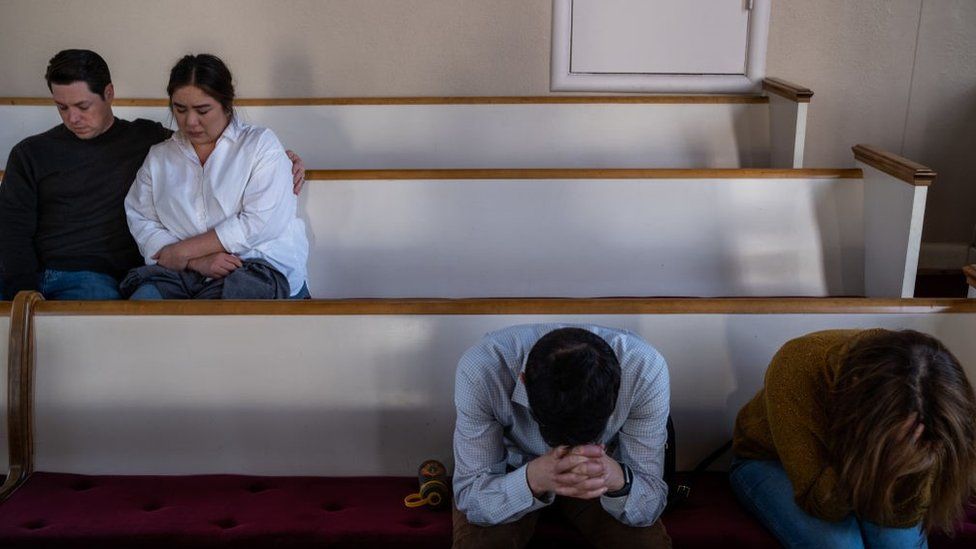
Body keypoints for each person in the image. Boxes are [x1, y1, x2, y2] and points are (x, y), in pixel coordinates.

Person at [0, 49, 305, 301]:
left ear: (109, 94)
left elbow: (226, 147)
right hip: (66, 272)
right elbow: (12, 231)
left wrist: (283, 159)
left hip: (141, 272)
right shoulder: (31, 153)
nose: (73, 118)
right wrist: (21, 298)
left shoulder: (145, 138)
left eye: (82, 106)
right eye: (61, 107)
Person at [731, 329, 976, 549]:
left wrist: (908, 463)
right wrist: (876, 461)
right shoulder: (797, 365)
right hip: (768, 460)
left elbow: (905, 516)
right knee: (841, 546)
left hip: (872, 461)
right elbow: (820, 504)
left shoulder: (938, 399)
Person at [452, 324, 672, 548]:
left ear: (618, 386)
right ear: (523, 381)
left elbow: (649, 501)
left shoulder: (644, 369)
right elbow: (472, 496)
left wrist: (616, 478)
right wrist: (532, 478)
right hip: (508, 473)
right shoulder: (482, 369)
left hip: (600, 475)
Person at [122, 54, 308, 300]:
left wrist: (183, 251)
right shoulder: (160, 156)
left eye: (202, 110)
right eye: (180, 109)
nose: (190, 121)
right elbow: (142, 218)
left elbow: (259, 223)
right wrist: (196, 261)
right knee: (142, 302)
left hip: (255, 266)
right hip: (186, 271)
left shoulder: (260, 145)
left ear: (226, 104)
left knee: (213, 315)